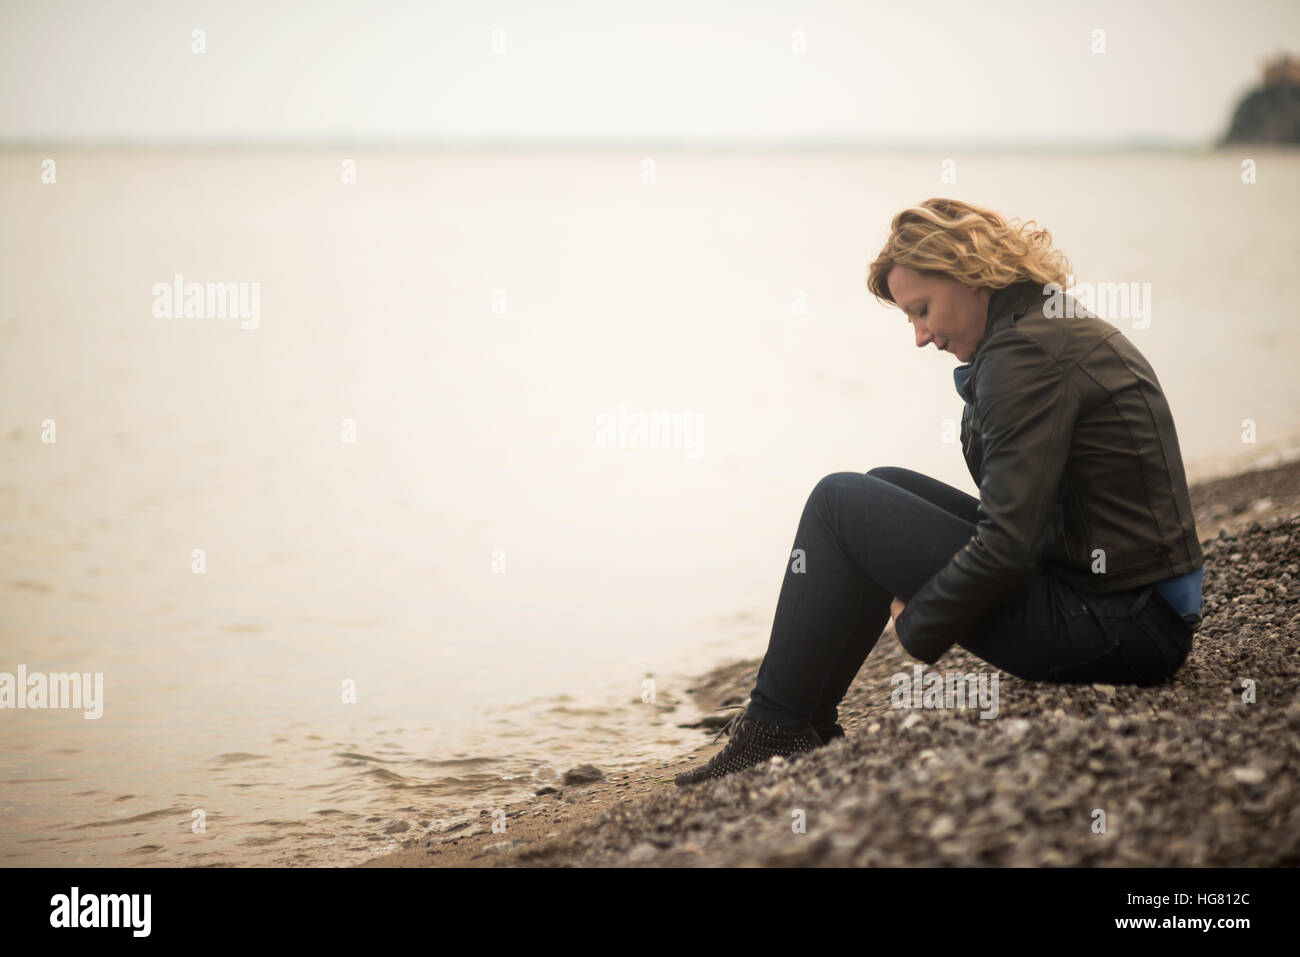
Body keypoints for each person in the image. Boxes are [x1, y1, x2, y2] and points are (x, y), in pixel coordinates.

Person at [675, 197, 1205, 787]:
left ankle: (774, 728)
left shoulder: (1024, 353)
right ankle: (805, 720)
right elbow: (1023, 522)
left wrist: (920, 621)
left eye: (922, 310)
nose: (921, 337)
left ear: (968, 273)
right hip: (1130, 605)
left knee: (836, 502)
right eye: (909, 319)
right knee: (879, 487)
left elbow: (1007, 543)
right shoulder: (1037, 325)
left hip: (1122, 625)